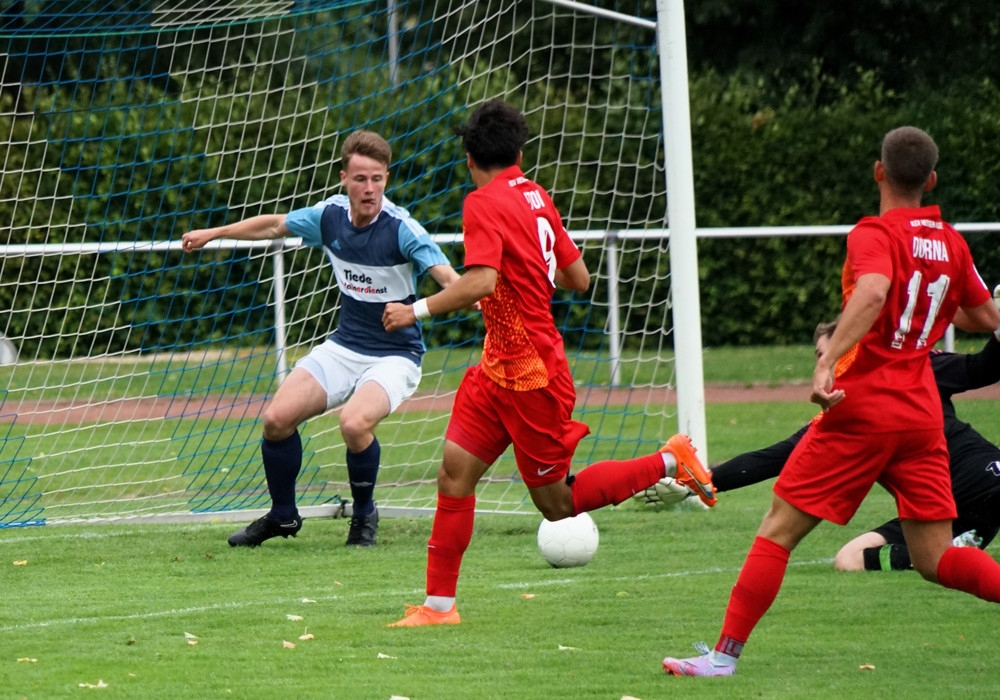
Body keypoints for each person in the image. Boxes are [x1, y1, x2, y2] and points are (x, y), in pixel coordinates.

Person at [663, 126, 1000, 677]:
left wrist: (828, 360)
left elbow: (874, 290)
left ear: (878, 172)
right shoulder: (951, 243)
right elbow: (984, 317)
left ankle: (722, 659)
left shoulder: (874, 232)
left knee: (777, 530)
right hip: (922, 416)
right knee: (936, 558)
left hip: (864, 407)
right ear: (932, 180)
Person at [380, 99, 717, 627]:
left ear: (469, 157)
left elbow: (482, 281)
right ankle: (439, 607)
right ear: (518, 152)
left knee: (557, 504)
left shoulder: (482, 202)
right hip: (497, 367)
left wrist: (414, 310)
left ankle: (670, 460)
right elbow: (579, 277)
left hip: (532, 375)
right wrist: (529, 270)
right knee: (453, 475)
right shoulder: (536, 195)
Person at [181, 130, 461, 548]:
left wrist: (423, 307)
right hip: (344, 346)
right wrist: (214, 232)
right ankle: (283, 516)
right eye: (361, 179)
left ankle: (364, 516)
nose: (370, 189)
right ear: (344, 178)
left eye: (378, 179)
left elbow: (451, 281)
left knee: (354, 423)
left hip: (395, 355)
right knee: (276, 420)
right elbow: (274, 224)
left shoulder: (403, 229)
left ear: (387, 178)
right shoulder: (328, 216)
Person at [685, 318, 1000, 571]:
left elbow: (982, 369)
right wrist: (700, 480)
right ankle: (951, 550)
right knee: (850, 559)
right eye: (819, 357)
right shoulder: (842, 413)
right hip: (950, 511)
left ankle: (949, 551)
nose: (822, 364)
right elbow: (775, 457)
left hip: (984, 476)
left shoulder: (910, 368)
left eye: (827, 354)